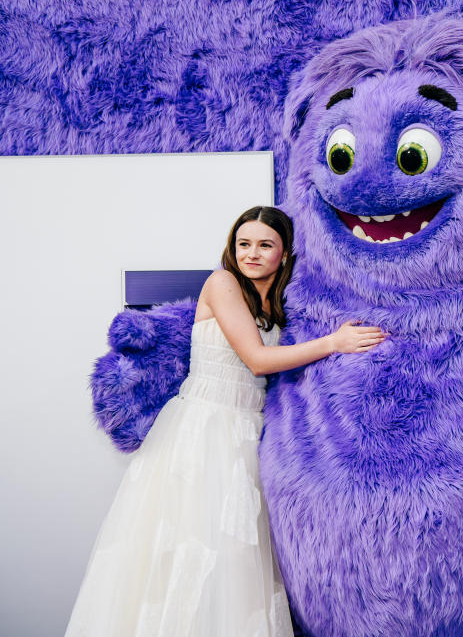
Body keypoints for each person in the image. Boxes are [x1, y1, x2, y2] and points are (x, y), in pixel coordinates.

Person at [65, 206, 385, 636]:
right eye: (244, 244)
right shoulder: (223, 283)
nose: (251, 254)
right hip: (204, 428)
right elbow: (256, 360)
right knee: (190, 549)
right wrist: (334, 342)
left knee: (236, 556)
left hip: (247, 432)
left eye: (264, 245)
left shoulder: (276, 301)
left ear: (285, 253)